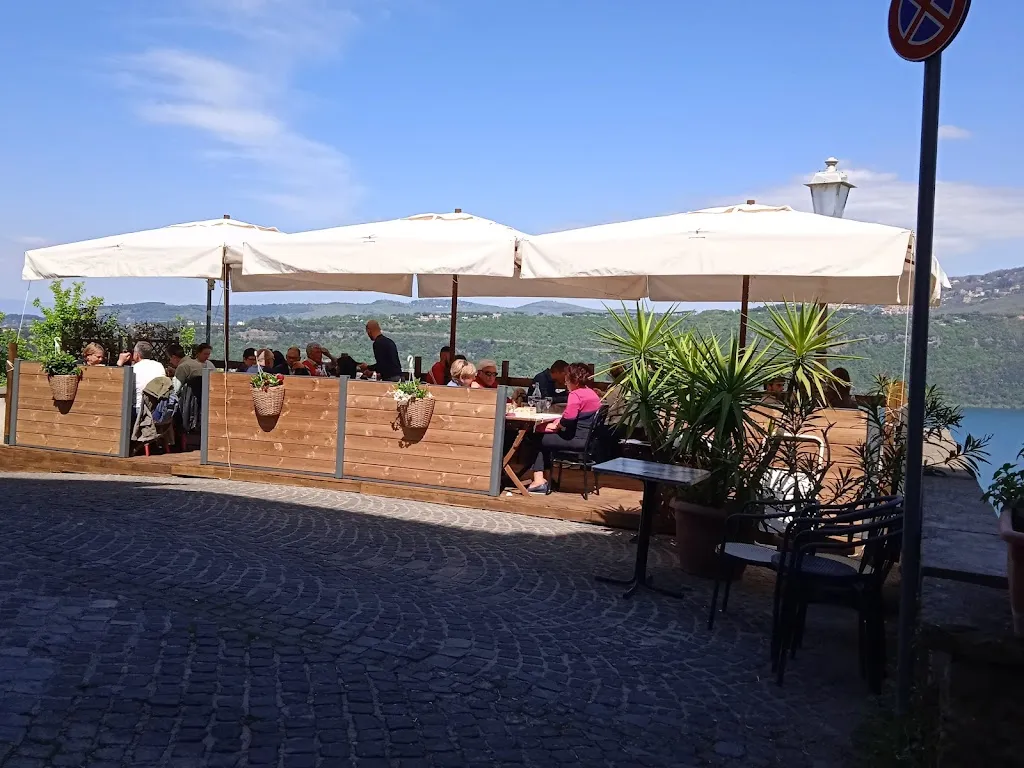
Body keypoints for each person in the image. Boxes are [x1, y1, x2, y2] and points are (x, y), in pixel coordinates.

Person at [521, 363, 603, 494]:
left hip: (575, 440)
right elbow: (574, 416)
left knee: (538, 438)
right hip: (587, 440)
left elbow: (569, 418)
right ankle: (545, 478)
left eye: (566, 379)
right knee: (545, 439)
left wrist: (556, 426)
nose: (565, 383)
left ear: (573, 380)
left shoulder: (576, 394)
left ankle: (538, 481)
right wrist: (558, 423)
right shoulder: (591, 393)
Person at [117, 341, 165, 412]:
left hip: (138, 408)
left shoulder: (134, 369)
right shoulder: (159, 366)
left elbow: (119, 386)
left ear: (137, 354)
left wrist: (120, 362)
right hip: (157, 408)